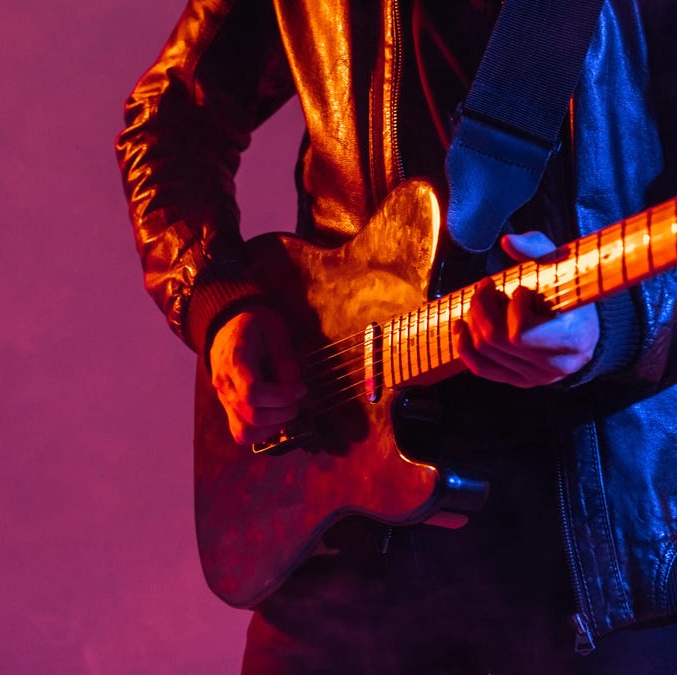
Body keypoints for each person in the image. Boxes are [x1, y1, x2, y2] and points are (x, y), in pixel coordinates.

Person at [115, 1, 677, 672]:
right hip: (339, 501)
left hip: (594, 561)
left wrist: (616, 326)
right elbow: (171, 116)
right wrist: (219, 301)